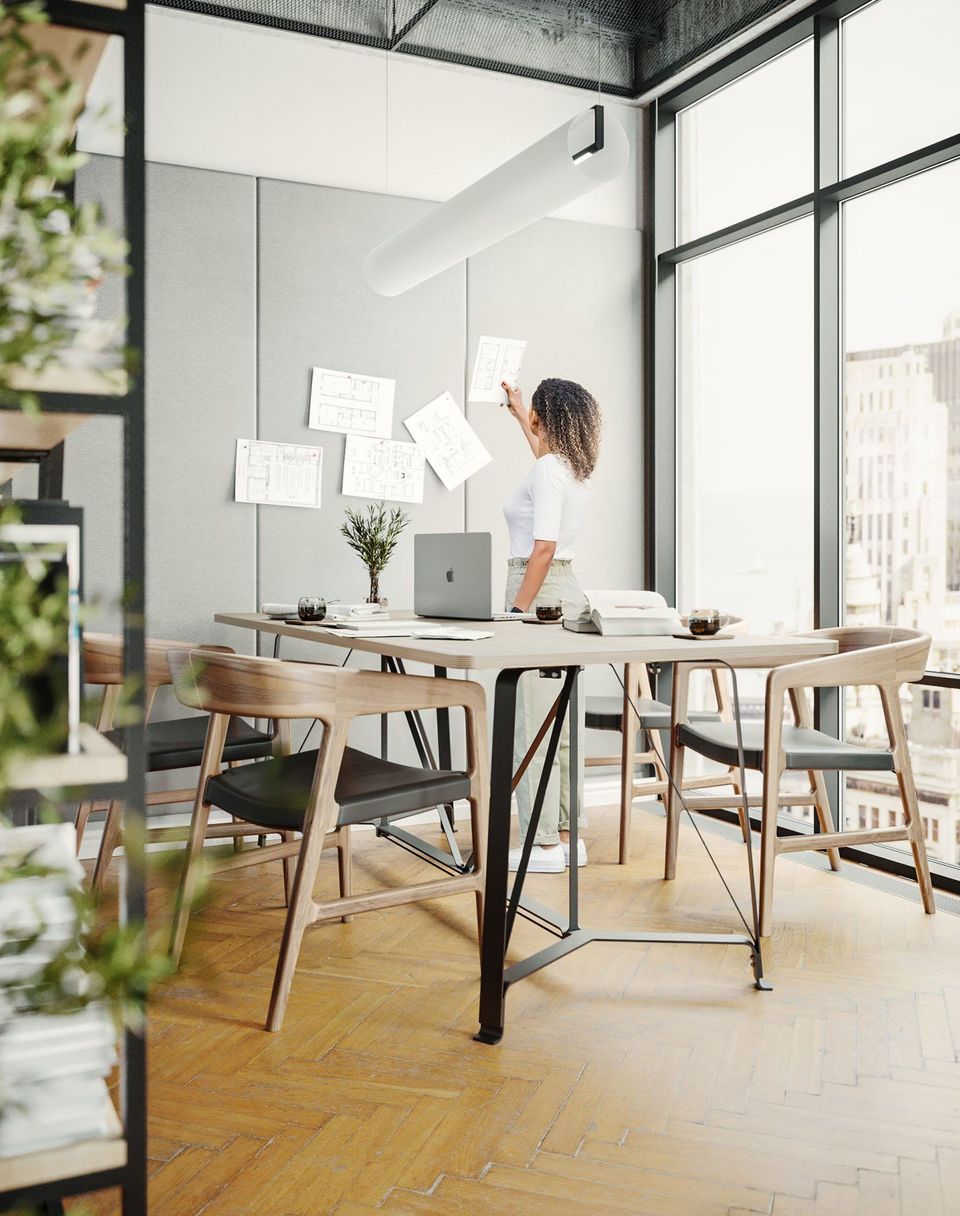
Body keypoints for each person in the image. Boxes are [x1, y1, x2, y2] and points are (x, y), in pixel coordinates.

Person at [501, 376, 601, 873]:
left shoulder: (547, 471)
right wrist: (520, 409)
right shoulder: (569, 468)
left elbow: (542, 549)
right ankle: (566, 837)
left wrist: (515, 611)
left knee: (532, 725)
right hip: (569, 597)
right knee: (561, 726)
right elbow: (541, 451)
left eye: (534, 416)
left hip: (538, 594)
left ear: (547, 418)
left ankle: (541, 847)